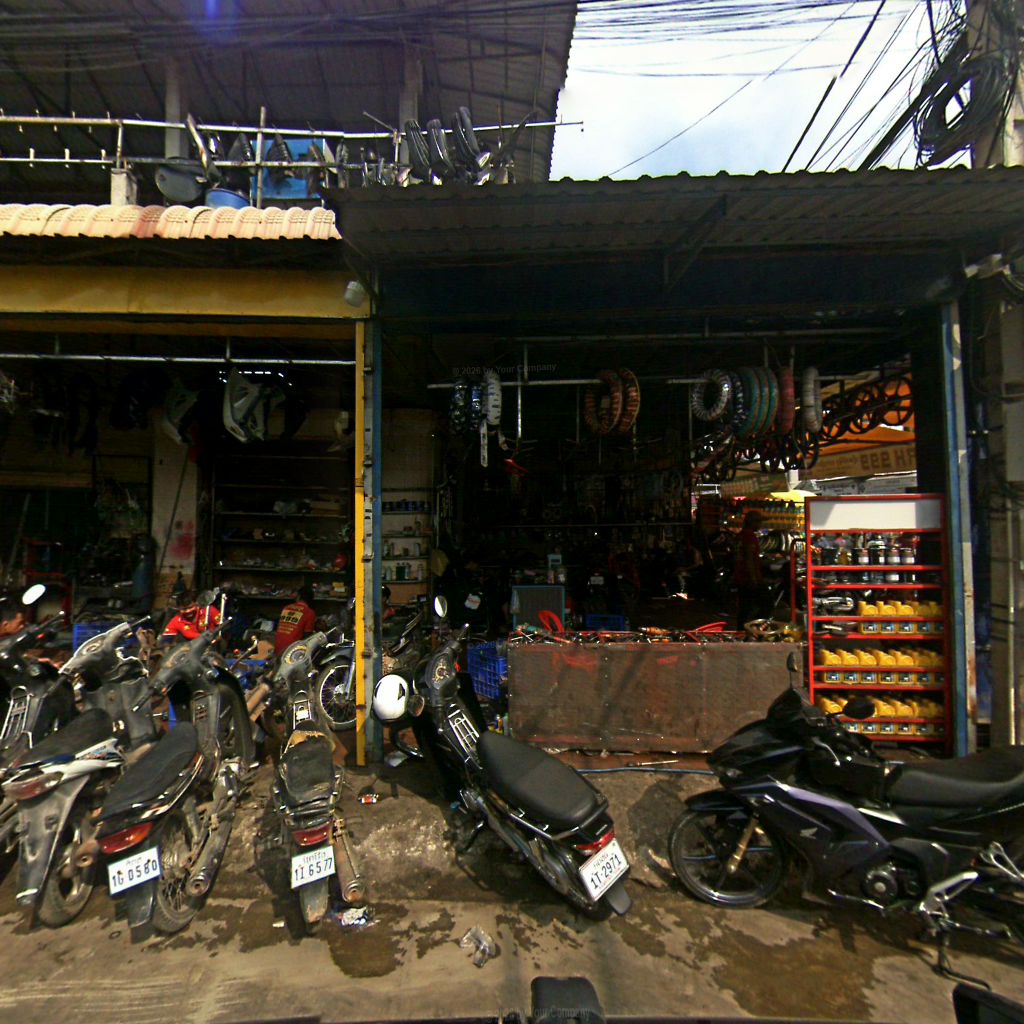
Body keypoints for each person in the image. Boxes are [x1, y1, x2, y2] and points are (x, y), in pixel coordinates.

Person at [734, 509, 767, 631]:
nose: (760, 525)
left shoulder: (741, 535)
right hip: (749, 577)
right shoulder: (749, 536)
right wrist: (753, 578)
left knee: (745, 607)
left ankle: (742, 630)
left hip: (741, 576)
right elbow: (749, 558)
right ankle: (754, 629)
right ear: (753, 522)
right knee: (766, 604)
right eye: (759, 522)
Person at [275, 585, 317, 655]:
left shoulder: (286, 608)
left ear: (298, 596)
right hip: (291, 653)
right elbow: (307, 637)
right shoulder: (309, 613)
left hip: (278, 649)